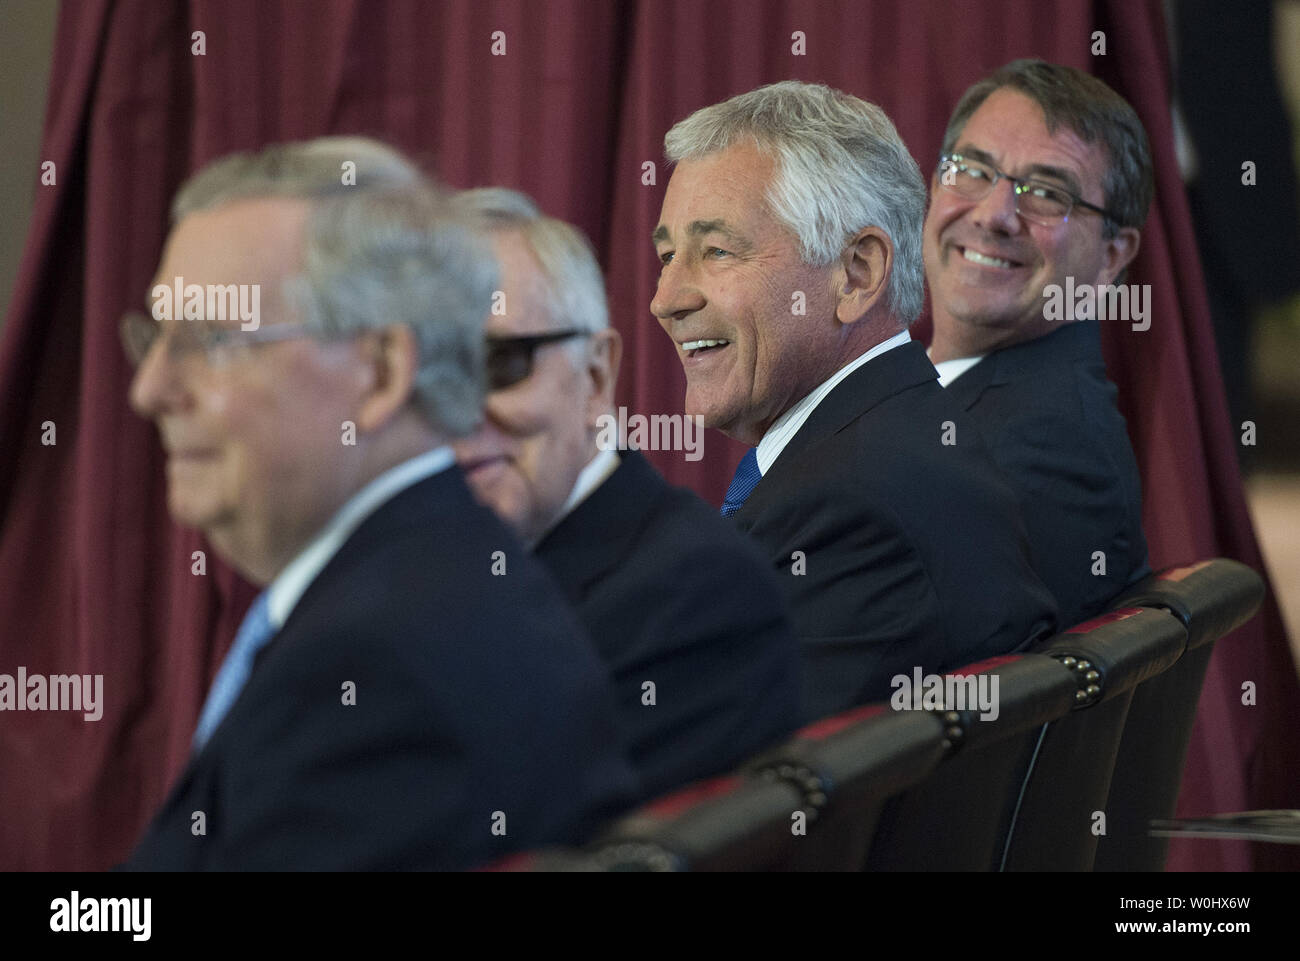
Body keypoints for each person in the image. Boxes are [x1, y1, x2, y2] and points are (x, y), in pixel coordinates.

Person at [120, 138, 637, 870]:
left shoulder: (370, 667)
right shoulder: (434, 583)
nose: (150, 390)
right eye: (155, 338)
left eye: (212, 339)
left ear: (382, 370)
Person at [651, 82, 1057, 720]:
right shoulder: (899, 435)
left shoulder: (849, 509)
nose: (666, 298)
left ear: (857, 273)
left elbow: (738, 793)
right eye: (668, 255)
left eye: (716, 252)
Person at [449, 188, 800, 797]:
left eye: (499, 363)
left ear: (595, 377)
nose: (458, 416)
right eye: (428, 379)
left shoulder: (695, 601)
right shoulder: (416, 562)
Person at [925, 59, 1152, 628]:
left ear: (1112, 256)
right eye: (972, 170)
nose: (994, 214)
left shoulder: (1045, 456)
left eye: (1047, 192)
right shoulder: (918, 390)